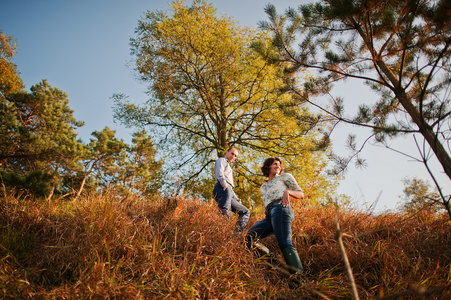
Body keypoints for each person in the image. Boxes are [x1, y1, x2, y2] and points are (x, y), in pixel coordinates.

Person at [245, 156, 304, 274]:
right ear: (268, 166)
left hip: (281, 208)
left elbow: (301, 194)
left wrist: (288, 192)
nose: (278, 166)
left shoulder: (284, 177)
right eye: (275, 164)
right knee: (249, 237)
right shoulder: (263, 186)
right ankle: (275, 265)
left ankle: (299, 280)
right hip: (269, 215)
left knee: (284, 243)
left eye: (279, 164)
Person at [213, 147, 250, 232]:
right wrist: (223, 183)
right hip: (221, 188)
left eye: (235, 156)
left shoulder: (229, 167)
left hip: (228, 190)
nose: (233, 156)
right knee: (225, 213)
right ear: (227, 152)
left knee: (245, 211)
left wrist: (236, 198)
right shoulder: (221, 160)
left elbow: (229, 186)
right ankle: (221, 234)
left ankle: (236, 235)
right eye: (232, 153)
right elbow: (219, 173)